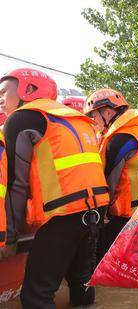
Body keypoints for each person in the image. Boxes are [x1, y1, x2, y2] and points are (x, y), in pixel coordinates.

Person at [0, 68, 110, 308]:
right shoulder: (75, 118)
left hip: (64, 213)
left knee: (36, 295)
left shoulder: (21, 119)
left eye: (4, 92)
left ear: (27, 90)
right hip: (96, 209)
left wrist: (10, 238)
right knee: (81, 281)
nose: (0, 99)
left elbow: (15, 185)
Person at [83, 88, 138, 259]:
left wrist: (99, 216)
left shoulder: (120, 139)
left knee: (99, 255)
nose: (95, 122)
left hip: (132, 216)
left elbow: (108, 186)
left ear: (108, 112)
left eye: (95, 116)